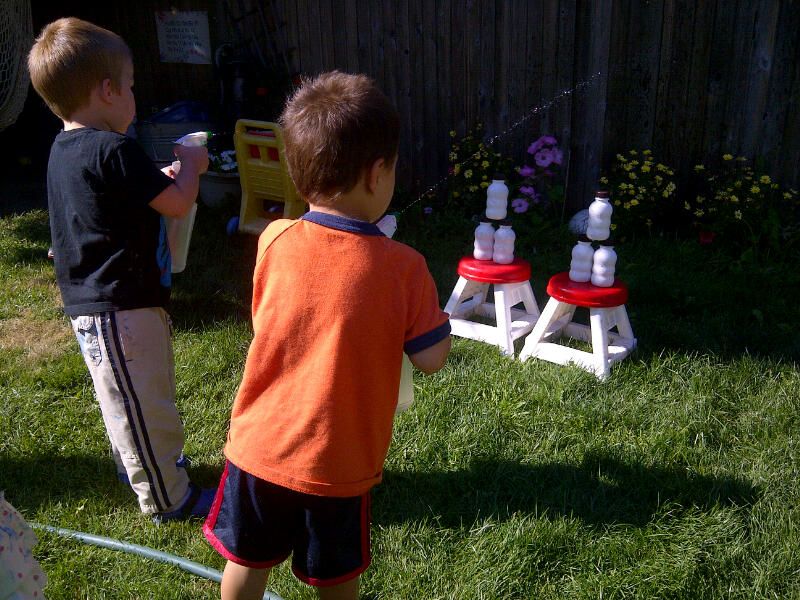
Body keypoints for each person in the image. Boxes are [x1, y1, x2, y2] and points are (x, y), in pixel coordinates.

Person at [203, 71, 452, 600]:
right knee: (336, 575)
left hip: (257, 447)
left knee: (247, 559)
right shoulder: (404, 267)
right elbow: (431, 358)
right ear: (377, 173)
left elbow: (272, 315)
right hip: (337, 461)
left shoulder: (274, 237)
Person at [27, 17, 214, 523]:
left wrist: (165, 178)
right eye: (130, 86)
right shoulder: (114, 148)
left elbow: (93, 210)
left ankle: (146, 464)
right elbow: (176, 205)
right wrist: (191, 170)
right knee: (144, 400)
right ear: (107, 90)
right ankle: (167, 497)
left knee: (131, 398)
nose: (133, 96)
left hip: (107, 303)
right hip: (121, 304)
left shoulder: (65, 150)